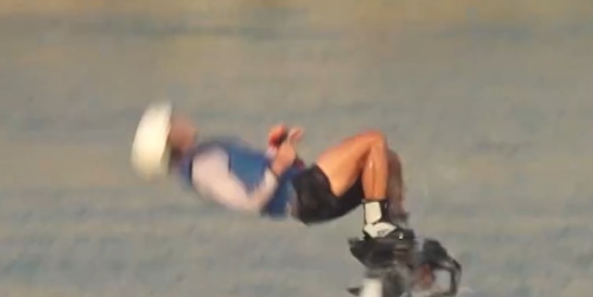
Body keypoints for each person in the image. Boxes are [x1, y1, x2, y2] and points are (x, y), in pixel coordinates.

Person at [130, 103, 412, 243]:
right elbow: (248, 201)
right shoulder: (202, 167)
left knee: (387, 161)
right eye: (174, 121)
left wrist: (277, 149)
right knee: (373, 140)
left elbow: (260, 173)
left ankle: (396, 231)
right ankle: (378, 228)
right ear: (171, 139)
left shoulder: (207, 152)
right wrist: (278, 166)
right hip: (306, 195)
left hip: (305, 192)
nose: (181, 119)